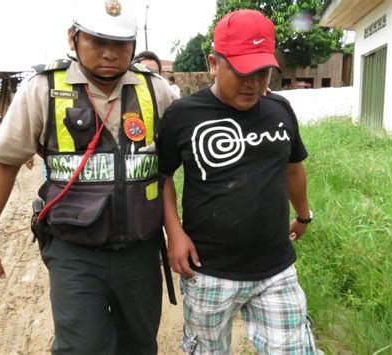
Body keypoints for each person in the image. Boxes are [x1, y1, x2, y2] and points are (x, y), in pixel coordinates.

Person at [0, 1, 174, 354]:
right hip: (74, 252)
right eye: (97, 41)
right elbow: (3, 164)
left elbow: (171, 167)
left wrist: (178, 233)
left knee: (139, 345)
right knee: (83, 347)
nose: (110, 53)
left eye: (121, 44)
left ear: (134, 47)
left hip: (140, 253)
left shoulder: (156, 90)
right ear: (73, 38)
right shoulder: (42, 89)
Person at [159, 9, 317, 354]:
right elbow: (163, 176)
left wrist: (303, 215)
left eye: (262, 73)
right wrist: (175, 232)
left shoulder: (280, 110)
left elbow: (293, 168)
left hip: (276, 269)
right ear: (214, 63)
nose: (253, 83)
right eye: (242, 71)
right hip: (209, 270)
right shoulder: (183, 115)